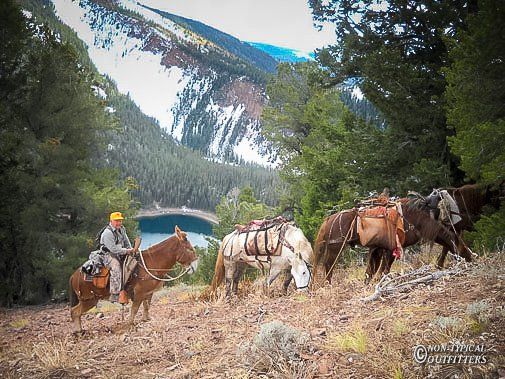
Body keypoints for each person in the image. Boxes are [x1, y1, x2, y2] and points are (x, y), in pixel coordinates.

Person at [100, 212, 137, 303]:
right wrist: (127, 251)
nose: (119, 223)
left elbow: (126, 241)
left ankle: (130, 288)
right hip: (107, 254)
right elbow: (113, 249)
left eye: (120, 220)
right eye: (116, 221)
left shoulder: (121, 229)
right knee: (116, 267)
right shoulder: (107, 233)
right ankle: (114, 294)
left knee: (134, 262)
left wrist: (131, 250)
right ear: (111, 221)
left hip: (120, 252)